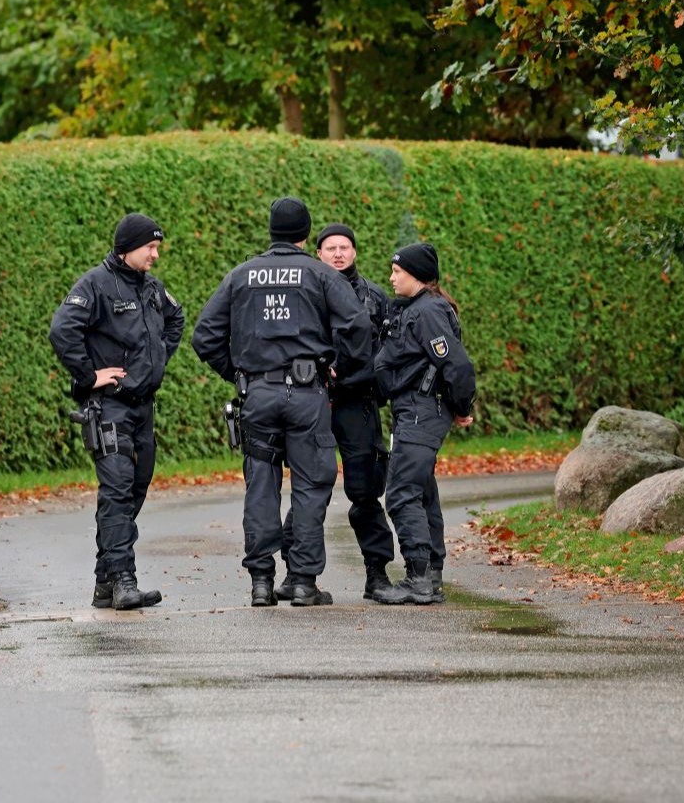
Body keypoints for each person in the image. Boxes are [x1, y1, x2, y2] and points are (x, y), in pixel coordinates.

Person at [190, 197, 370, 607]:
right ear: (306, 235)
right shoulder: (321, 274)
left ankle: (260, 582)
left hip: (257, 395)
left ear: (271, 231)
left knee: (261, 485)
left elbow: (204, 337)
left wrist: (240, 376)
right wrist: (338, 367)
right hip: (307, 395)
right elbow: (357, 325)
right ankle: (303, 581)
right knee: (311, 485)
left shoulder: (241, 275)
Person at [49, 213, 185, 610]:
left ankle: (104, 583)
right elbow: (62, 330)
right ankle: (124, 580)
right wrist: (89, 375)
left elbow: (175, 319)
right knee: (118, 491)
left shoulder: (152, 288)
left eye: (157, 247)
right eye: (150, 247)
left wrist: (155, 361)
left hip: (143, 409)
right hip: (108, 407)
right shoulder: (95, 284)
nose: (156, 254)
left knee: (135, 488)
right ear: (127, 248)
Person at [274, 222, 410, 605]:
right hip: (311, 401)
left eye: (344, 247)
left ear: (354, 252)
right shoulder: (302, 291)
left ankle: (377, 574)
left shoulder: (375, 297)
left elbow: (387, 353)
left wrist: (356, 377)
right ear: (317, 253)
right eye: (330, 247)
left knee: (365, 491)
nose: (337, 253)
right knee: (308, 488)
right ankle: (297, 573)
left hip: (358, 402)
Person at [375, 242, 476, 605]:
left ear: (415, 275)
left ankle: (418, 577)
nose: (391, 278)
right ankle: (431, 576)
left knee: (401, 493)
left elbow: (457, 366)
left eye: (397, 271)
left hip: (421, 411)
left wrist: (462, 406)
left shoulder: (427, 312)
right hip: (415, 410)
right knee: (421, 491)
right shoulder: (416, 309)